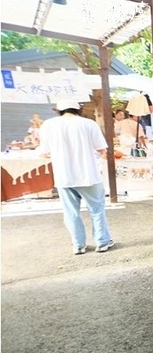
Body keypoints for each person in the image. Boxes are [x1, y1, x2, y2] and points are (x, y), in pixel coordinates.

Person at [37, 97, 114, 255]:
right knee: (97, 209)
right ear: (79, 109)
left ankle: (78, 245)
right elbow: (102, 150)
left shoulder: (48, 125)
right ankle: (102, 242)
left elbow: (44, 152)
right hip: (89, 174)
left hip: (64, 176)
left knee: (71, 212)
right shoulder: (89, 124)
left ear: (59, 110)